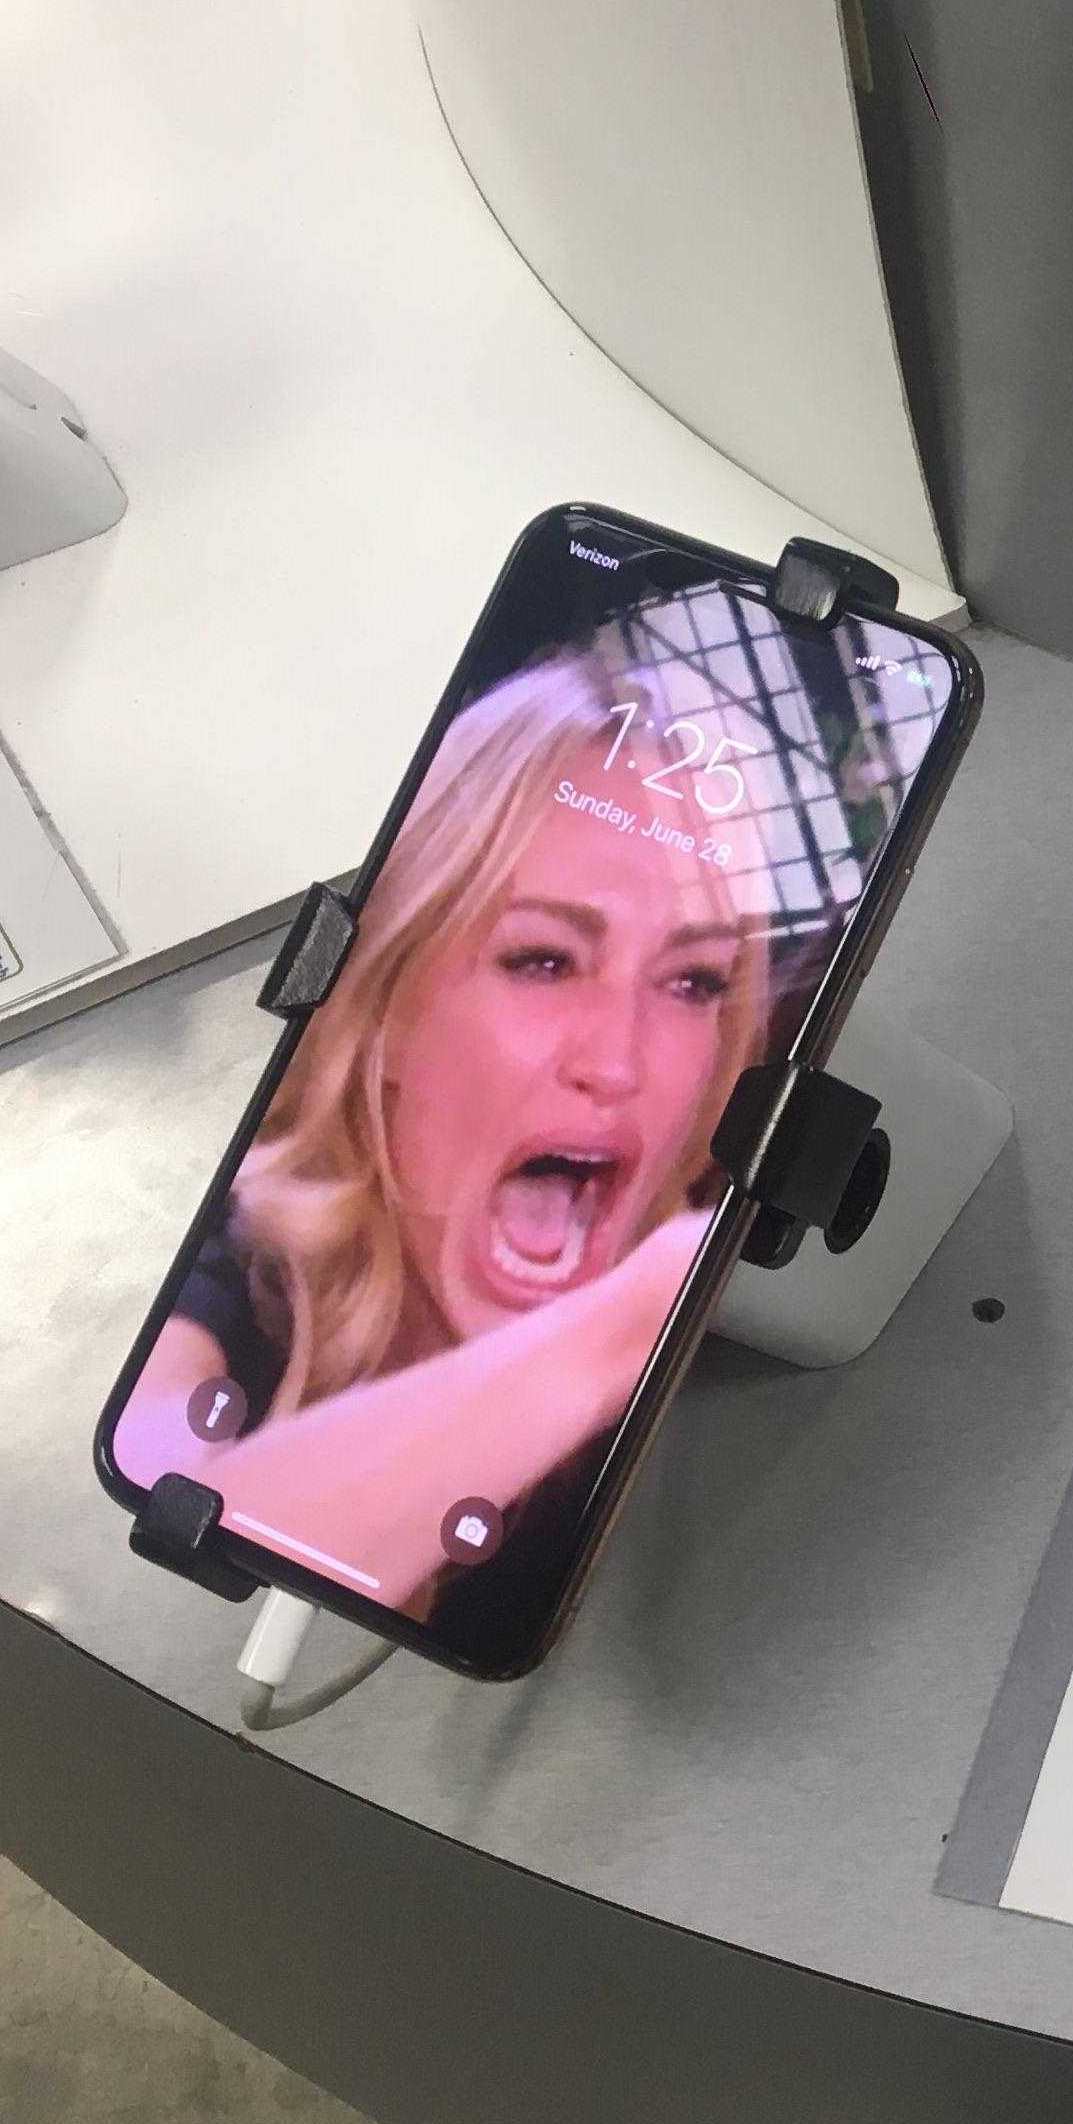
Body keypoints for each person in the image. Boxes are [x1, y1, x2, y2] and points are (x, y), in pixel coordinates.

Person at [110, 652, 768, 1622]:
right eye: (544, 960)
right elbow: (189, 1492)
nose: (620, 1063)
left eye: (692, 982)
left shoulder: (700, 1409)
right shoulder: (236, 1268)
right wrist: (637, 1313)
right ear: (385, 1016)